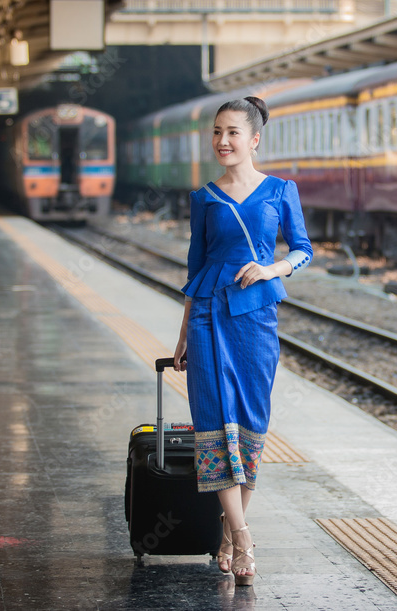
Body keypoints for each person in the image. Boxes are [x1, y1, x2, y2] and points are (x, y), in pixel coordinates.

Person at [173, 96, 312, 587]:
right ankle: (244, 536)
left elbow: (302, 249)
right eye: (216, 132)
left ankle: (230, 532)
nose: (222, 141)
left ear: (254, 139)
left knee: (251, 423)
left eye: (232, 132)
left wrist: (273, 268)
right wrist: (184, 334)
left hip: (256, 320)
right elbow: (194, 271)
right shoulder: (203, 198)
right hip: (209, 317)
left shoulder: (280, 191)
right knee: (213, 422)